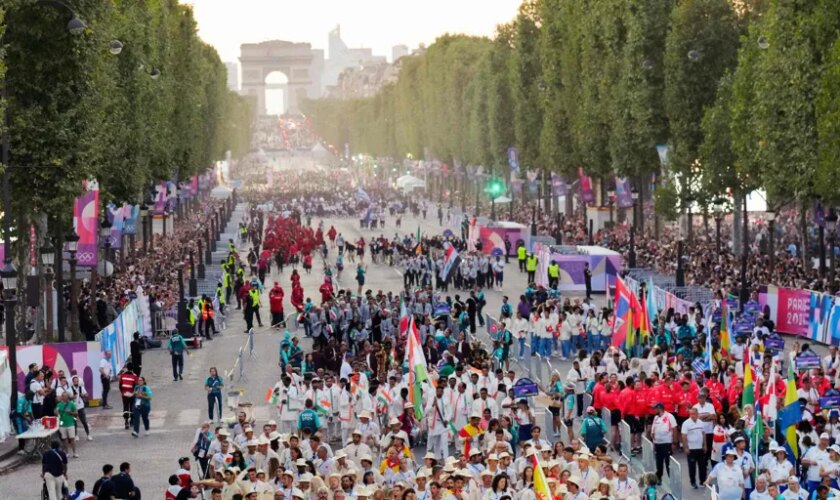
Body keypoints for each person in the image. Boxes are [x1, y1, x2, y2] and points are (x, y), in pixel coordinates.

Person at [651, 402, 677, 485]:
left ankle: (672, 479)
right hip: (658, 443)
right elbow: (653, 430)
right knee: (659, 462)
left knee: (668, 462)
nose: (654, 410)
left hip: (667, 443)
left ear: (659, 408)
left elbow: (674, 429)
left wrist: (674, 442)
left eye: (655, 408)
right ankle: (659, 478)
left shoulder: (669, 416)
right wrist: (654, 442)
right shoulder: (655, 418)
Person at [681, 407, 708, 489]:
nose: (692, 415)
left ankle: (702, 481)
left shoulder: (701, 423)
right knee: (692, 467)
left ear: (697, 414)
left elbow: (703, 434)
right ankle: (693, 482)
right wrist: (685, 447)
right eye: (691, 414)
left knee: (702, 466)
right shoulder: (686, 423)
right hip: (691, 449)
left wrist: (705, 445)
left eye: (694, 414)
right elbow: (684, 436)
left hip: (700, 448)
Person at [56, 391, 79, 458]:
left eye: (66, 396)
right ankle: (67, 452)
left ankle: (75, 452)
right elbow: (56, 413)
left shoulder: (71, 404)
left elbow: (76, 413)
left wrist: (71, 412)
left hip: (70, 423)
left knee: (72, 438)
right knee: (64, 439)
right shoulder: (59, 404)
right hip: (62, 423)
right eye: (63, 396)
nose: (64, 398)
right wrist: (56, 411)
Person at [118, 363, 138, 430]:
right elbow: (136, 386)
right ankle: (132, 421)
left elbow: (120, 385)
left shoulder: (122, 375)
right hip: (131, 394)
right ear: (132, 368)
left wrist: (122, 392)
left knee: (125, 407)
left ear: (127, 368)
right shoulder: (134, 376)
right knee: (132, 407)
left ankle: (126, 421)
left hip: (124, 394)